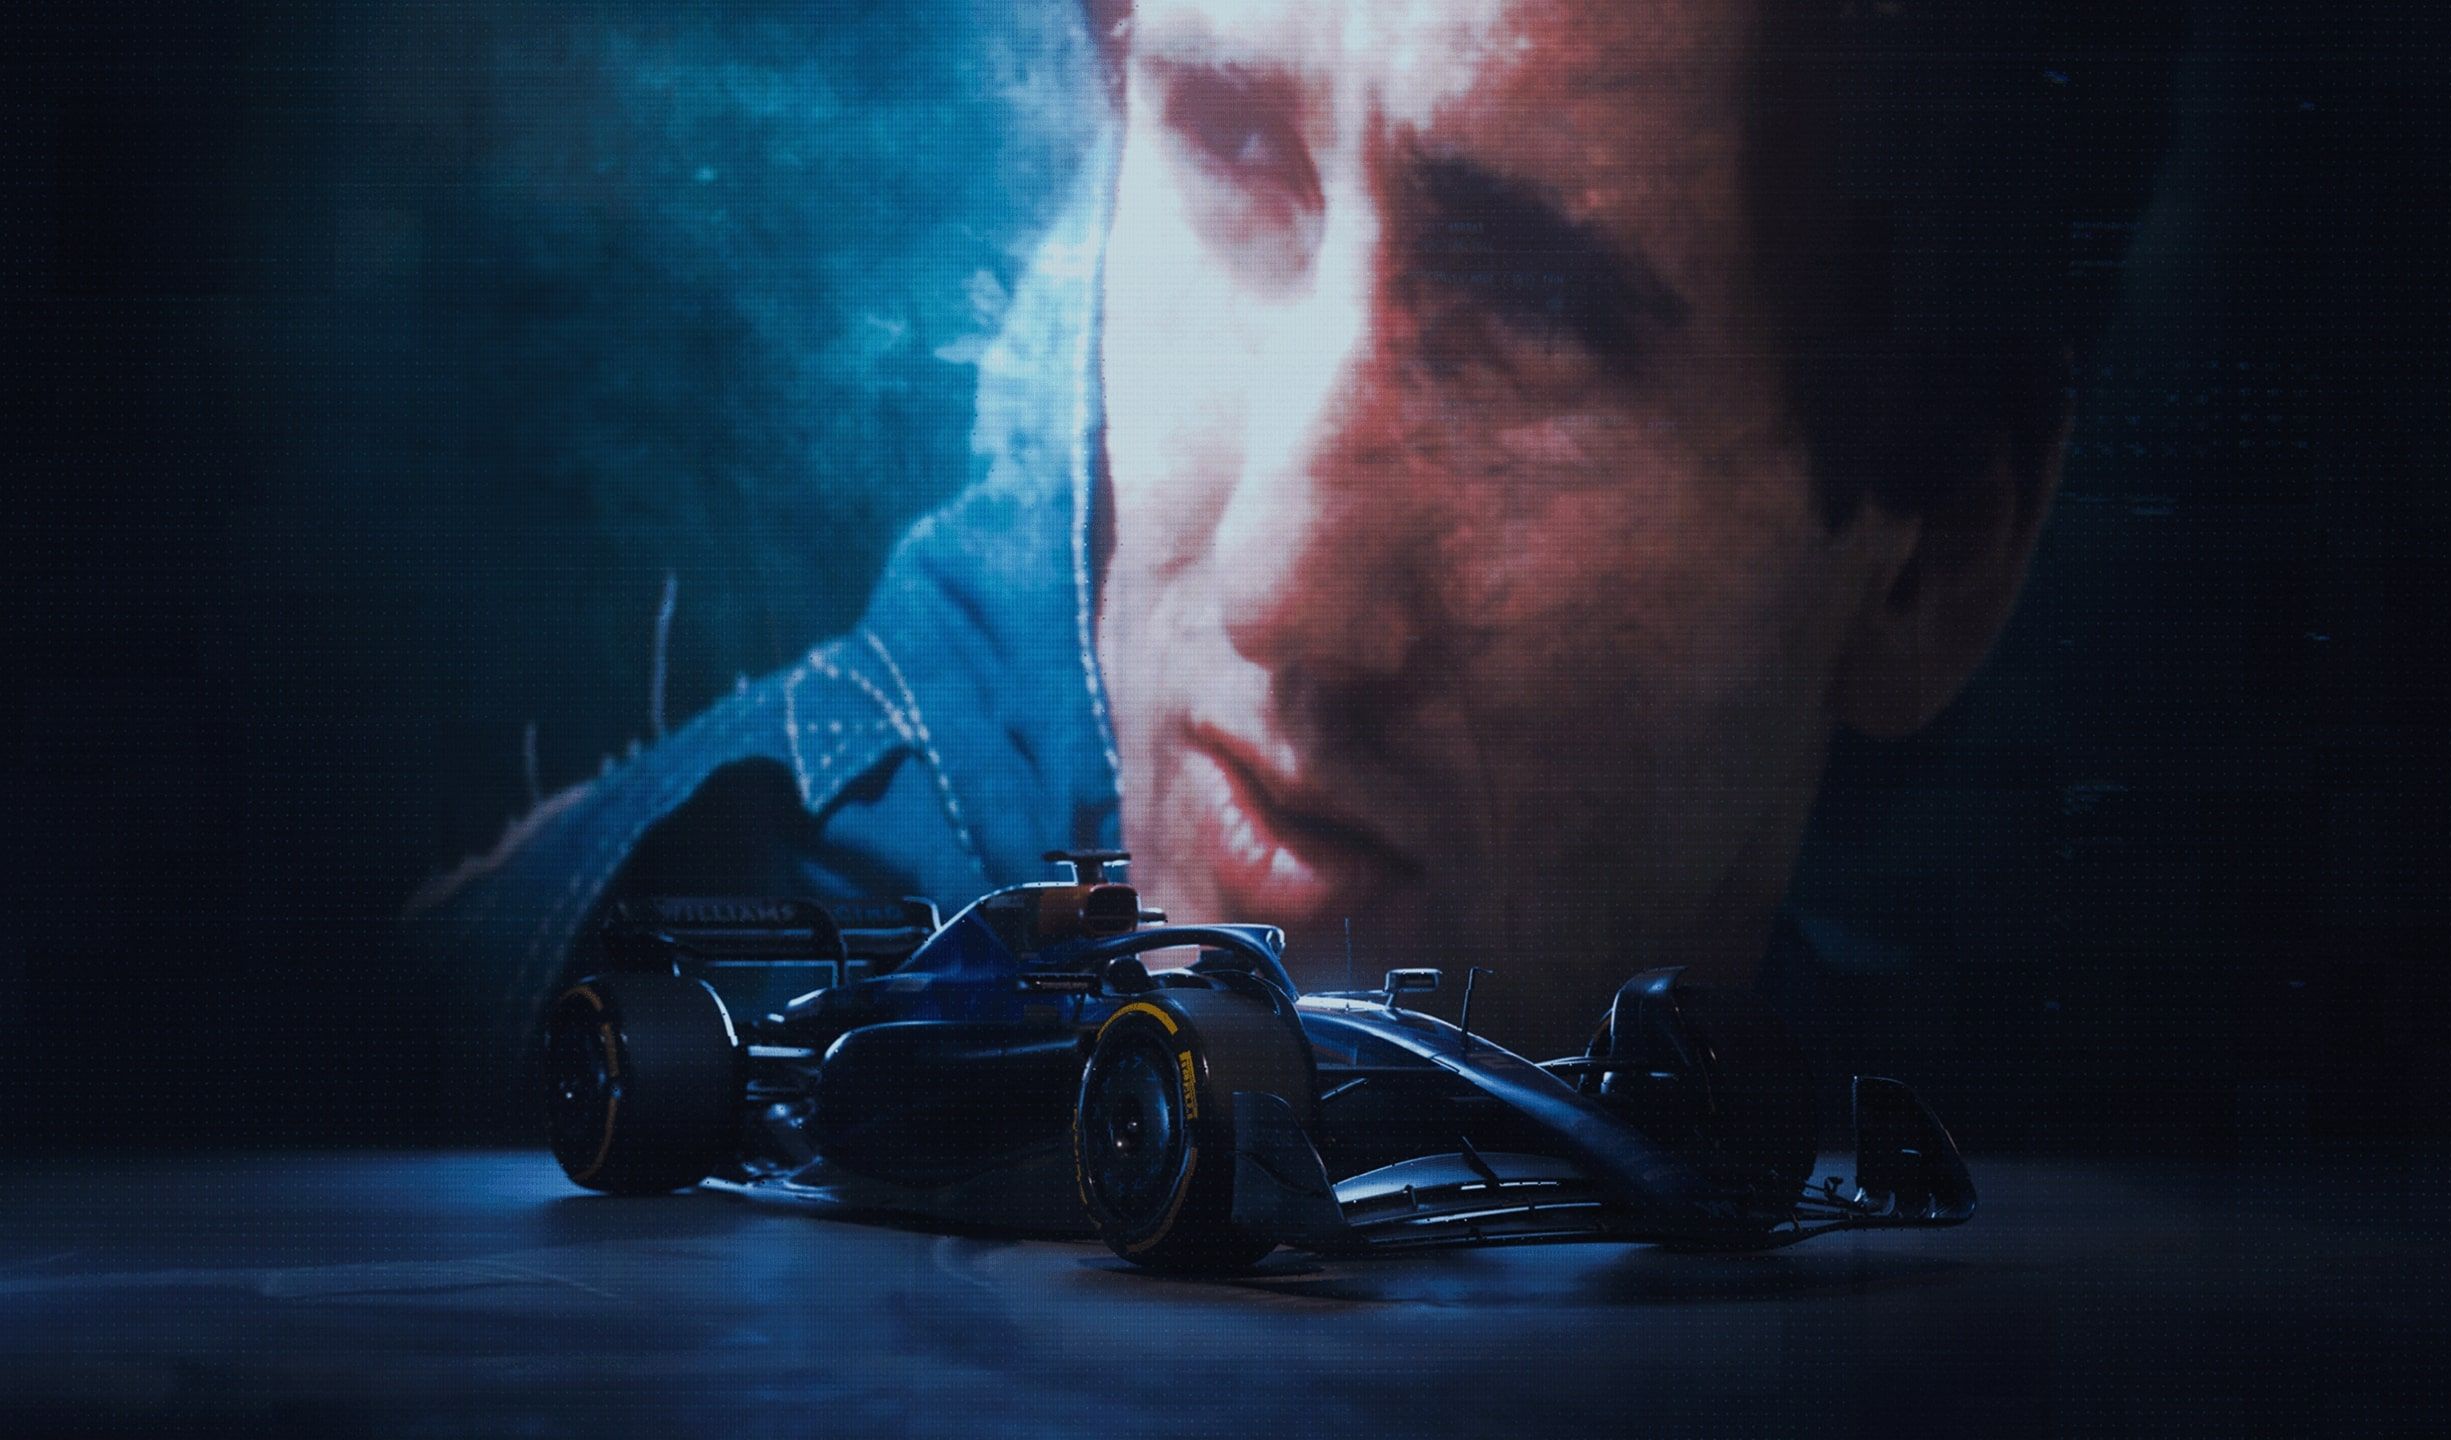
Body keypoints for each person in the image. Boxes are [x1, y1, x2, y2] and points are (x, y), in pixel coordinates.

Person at [411, 0, 2181, 1088]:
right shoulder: (689, 1011)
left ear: (1933, 566)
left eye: (1538, 307)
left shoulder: (2028, 1127)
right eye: (1233, 145)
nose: (1277, 586)